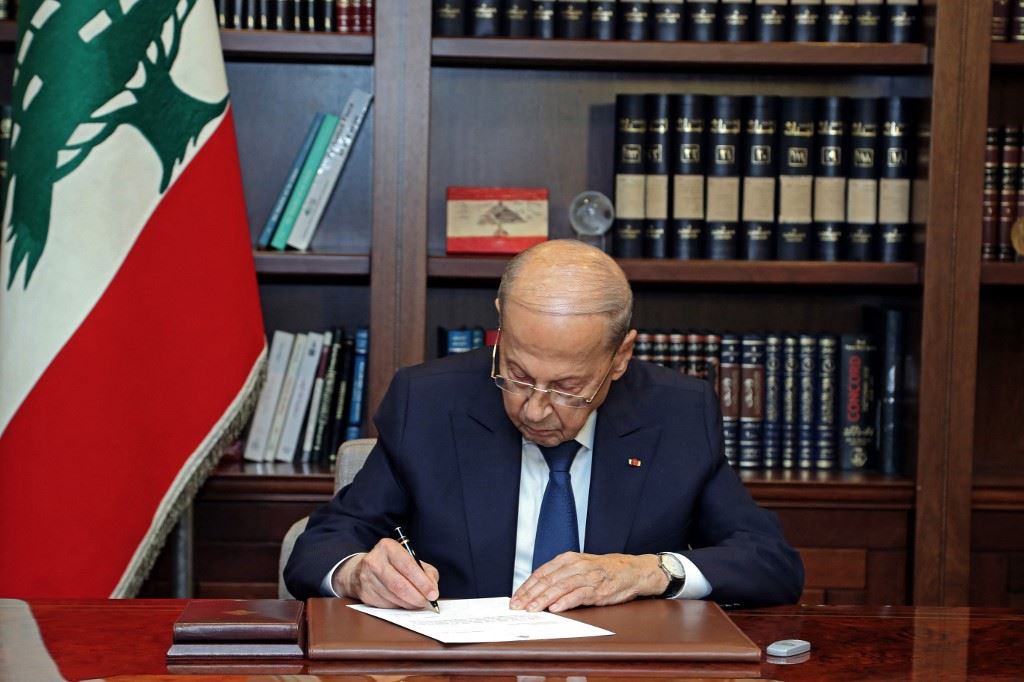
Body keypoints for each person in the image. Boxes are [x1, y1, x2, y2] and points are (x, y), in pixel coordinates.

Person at [284, 239, 804, 612]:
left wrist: (650, 571)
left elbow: (771, 562)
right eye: (515, 374)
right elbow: (322, 542)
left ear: (620, 357)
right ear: (501, 324)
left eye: (567, 387)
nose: (533, 409)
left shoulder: (676, 412)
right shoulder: (428, 401)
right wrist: (358, 573)